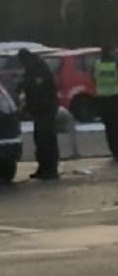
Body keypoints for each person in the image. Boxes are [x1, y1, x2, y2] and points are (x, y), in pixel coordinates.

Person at [15, 48, 59, 180]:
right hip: (39, 109)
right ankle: (43, 167)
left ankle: (51, 169)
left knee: (47, 139)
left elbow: (38, 89)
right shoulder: (32, 68)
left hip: (45, 108)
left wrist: (25, 90)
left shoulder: (39, 69)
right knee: (40, 139)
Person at [93, 47, 118, 162]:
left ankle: (113, 150)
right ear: (110, 52)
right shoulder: (116, 64)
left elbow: (94, 79)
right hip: (116, 99)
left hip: (102, 100)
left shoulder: (96, 65)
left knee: (109, 127)